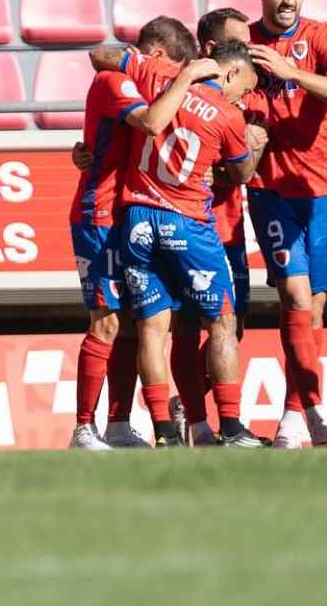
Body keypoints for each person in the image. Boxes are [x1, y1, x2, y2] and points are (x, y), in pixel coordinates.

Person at [89, 38, 267, 447]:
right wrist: (257, 141)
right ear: (230, 73)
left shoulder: (159, 76)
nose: (244, 95)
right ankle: (233, 428)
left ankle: (165, 432)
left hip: (137, 218)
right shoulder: (228, 115)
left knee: (152, 328)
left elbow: (102, 54)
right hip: (188, 222)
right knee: (222, 322)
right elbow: (241, 174)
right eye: (245, 86)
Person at [68, 18, 216, 450]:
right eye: (171, 69)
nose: (171, 80)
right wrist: (187, 75)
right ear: (155, 58)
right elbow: (152, 122)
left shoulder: (133, 82)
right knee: (106, 320)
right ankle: (82, 427)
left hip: (130, 215)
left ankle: (116, 424)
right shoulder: (116, 82)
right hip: (99, 215)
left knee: (131, 323)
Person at [244, 0, 327, 449]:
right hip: (270, 190)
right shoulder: (244, 42)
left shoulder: (320, 37)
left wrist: (293, 72)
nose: (287, 0)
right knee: (293, 296)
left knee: (314, 310)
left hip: (323, 189)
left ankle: (295, 417)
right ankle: (309, 415)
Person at [168, 8, 271, 447]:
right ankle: (201, 419)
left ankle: (194, 407)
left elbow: (241, 170)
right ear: (212, 50)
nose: (247, 52)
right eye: (239, 45)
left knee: (233, 323)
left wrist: (252, 152)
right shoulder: (180, 90)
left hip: (229, 226)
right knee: (191, 326)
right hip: (192, 223)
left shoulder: (250, 96)